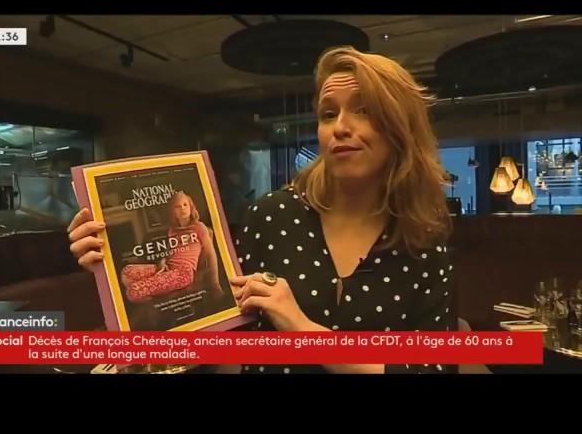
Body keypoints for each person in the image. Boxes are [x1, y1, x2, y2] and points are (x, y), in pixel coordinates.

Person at [67, 45, 455, 374]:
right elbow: (217, 331)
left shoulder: (424, 237)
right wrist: (114, 274)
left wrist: (304, 331)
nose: (339, 127)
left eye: (363, 110)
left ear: (401, 127)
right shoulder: (272, 215)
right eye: (328, 114)